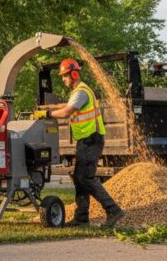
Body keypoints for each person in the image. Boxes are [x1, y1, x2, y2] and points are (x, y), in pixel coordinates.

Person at [42, 58, 124, 228]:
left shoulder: (81, 91)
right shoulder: (77, 93)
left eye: (65, 76)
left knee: (85, 177)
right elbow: (69, 107)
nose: (63, 80)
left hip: (91, 140)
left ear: (73, 74)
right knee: (79, 178)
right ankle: (81, 218)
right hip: (85, 140)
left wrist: (48, 114)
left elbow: (67, 112)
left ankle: (113, 210)